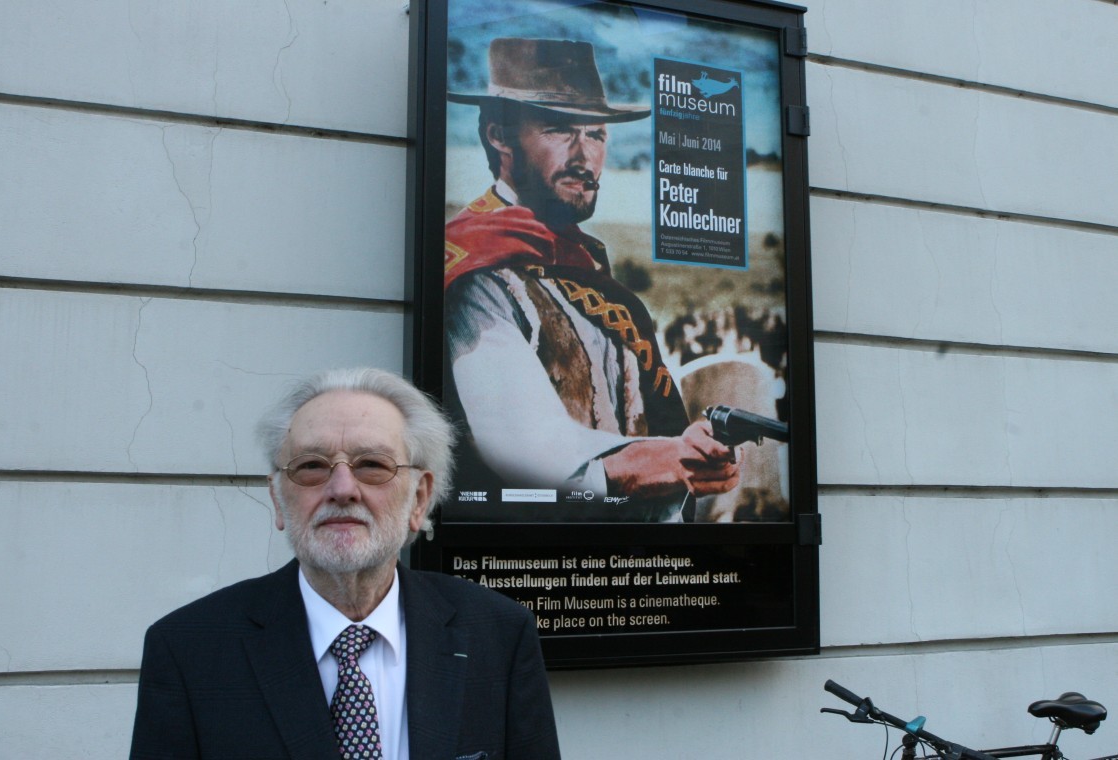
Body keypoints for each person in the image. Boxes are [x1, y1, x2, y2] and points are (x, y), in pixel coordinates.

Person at [130, 367, 561, 759]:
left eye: (372, 465)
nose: (341, 488)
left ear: (420, 498)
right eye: (312, 466)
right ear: (278, 498)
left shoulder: (499, 634)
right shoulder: (188, 651)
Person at [445, 38, 739, 521]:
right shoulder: (476, 270)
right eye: (561, 130)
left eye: (597, 135)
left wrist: (696, 454)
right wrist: (664, 458)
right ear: (500, 135)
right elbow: (528, 447)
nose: (585, 156)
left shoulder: (582, 266)